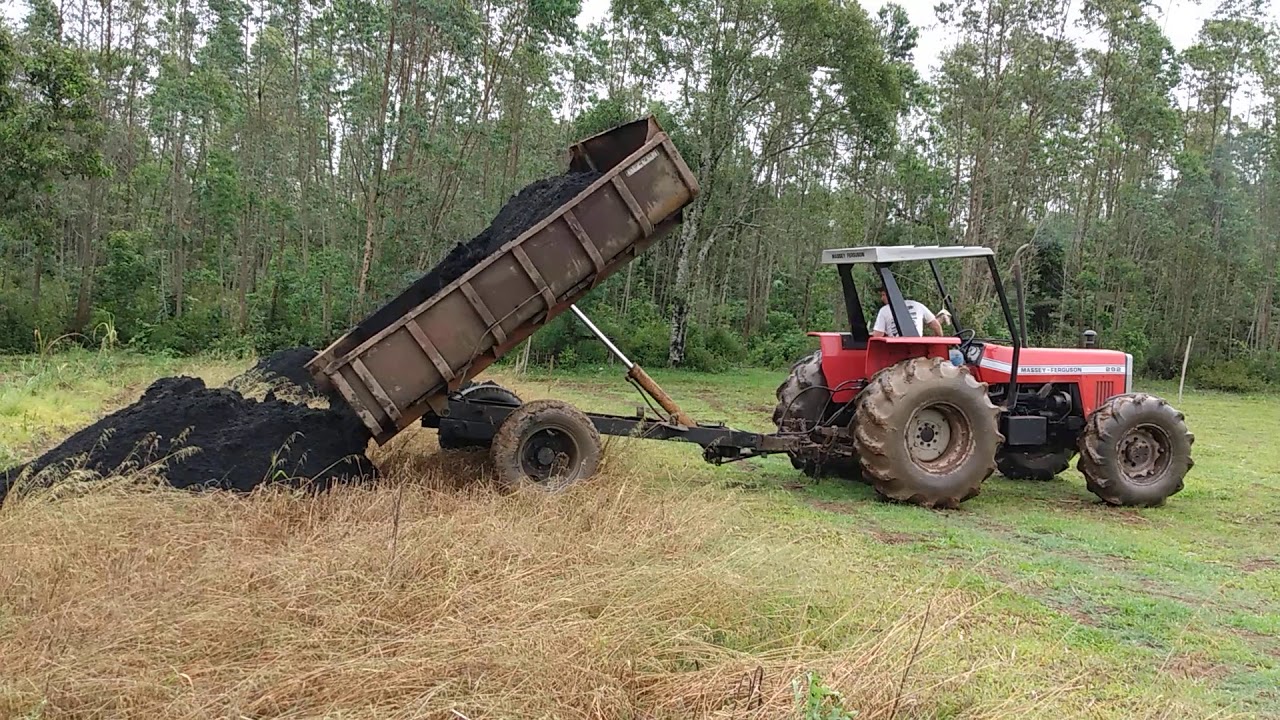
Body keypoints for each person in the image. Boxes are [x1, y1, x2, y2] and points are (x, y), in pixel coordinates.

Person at [871, 288, 965, 365]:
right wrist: (938, 345)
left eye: (884, 295)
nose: (882, 298)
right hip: (919, 351)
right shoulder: (917, 305)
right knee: (958, 356)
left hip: (896, 352)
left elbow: (878, 335)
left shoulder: (884, 310)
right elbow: (936, 326)